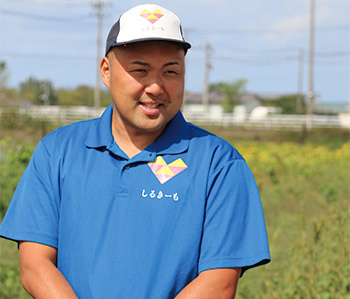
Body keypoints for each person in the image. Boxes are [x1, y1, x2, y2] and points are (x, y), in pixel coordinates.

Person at [0, 4, 270, 298]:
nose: (155, 86)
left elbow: (219, 282)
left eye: (170, 71)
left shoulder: (219, 163)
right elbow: (34, 264)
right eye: (140, 70)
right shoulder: (58, 151)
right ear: (106, 71)